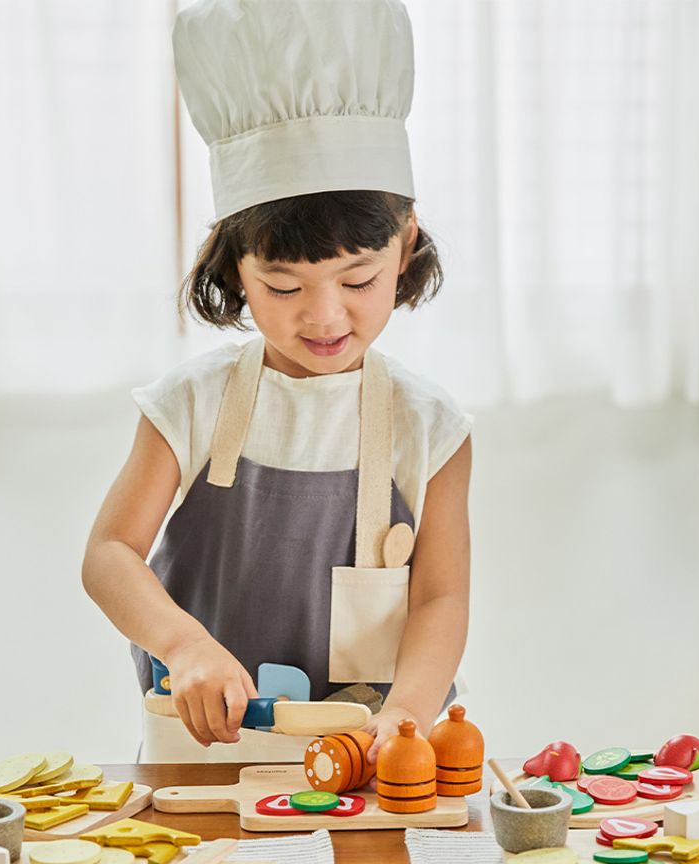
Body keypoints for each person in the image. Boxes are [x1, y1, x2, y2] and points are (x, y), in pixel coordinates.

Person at [82, 0, 471, 763]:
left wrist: (407, 717)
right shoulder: (190, 406)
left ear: (406, 244)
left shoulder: (432, 428)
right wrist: (182, 643)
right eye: (284, 288)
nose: (324, 317)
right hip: (205, 753)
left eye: (358, 278)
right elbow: (109, 555)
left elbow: (440, 597)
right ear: (234, 267)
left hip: (373, 756)